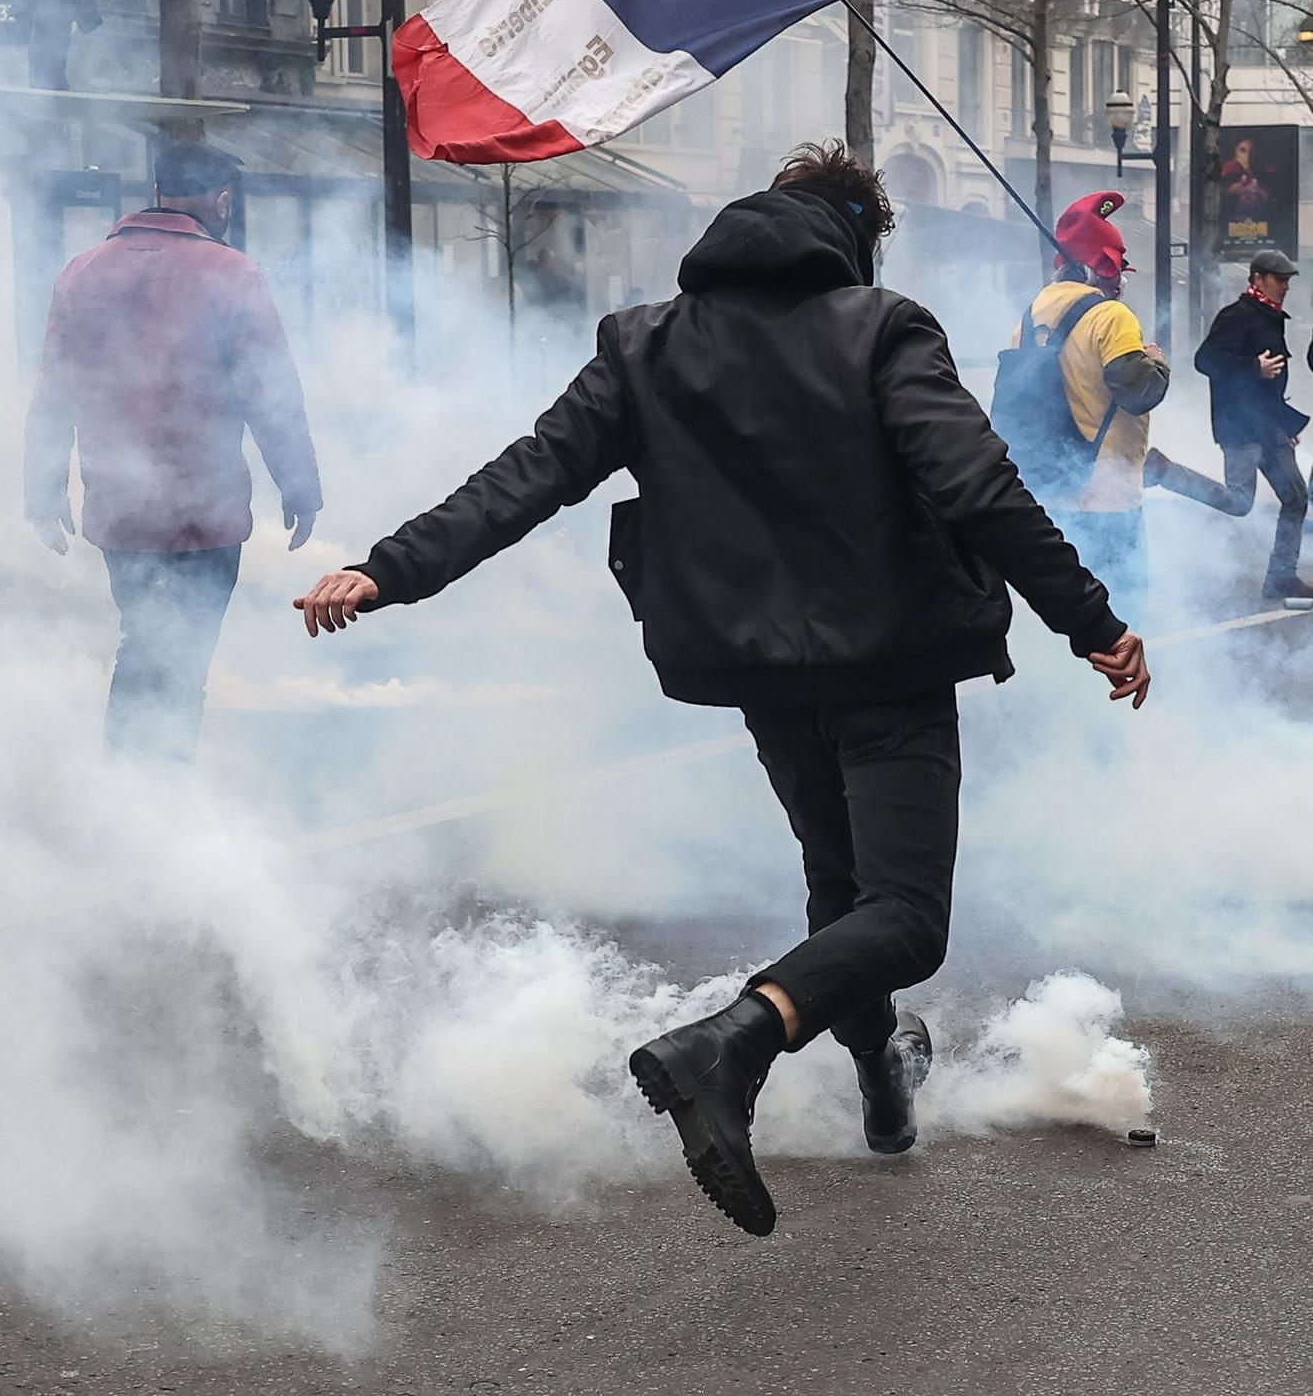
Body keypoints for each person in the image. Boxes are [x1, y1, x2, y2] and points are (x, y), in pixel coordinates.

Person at [295, 141, 1149, 1239]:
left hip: (751, 663)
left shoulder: (645, 342)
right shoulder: (882, 327)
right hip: (887, 661)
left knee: (841, 890)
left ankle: (884, 1088)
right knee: (905, 917)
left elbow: (530, 473)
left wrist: (389, 565)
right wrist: (1093, 619)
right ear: (856, 234)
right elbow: (975, 484)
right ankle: (732, 1042)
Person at [25, 140, 322, 762]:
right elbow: (271, 392)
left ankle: (137, 789)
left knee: (145, 639)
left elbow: (57, 389)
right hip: (204, 513)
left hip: (120, 510)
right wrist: (299, 486)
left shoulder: (82, 271)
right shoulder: (233, 274)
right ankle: (155, 790)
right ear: (220, 202)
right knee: (182, 656)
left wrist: (43, 489)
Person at [1007, 191, 1169, 607]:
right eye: (1114, 271)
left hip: (1052, 494)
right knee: (1125, 615)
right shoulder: (1110, 316)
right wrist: (1156, 362)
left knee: (1075, 617)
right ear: (1095, 269)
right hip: (1108, 498)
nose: (1120, 282)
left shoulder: (1030, 315)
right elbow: (1138, 392)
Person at [1146, 249, 1310, 602]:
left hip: (1267, 427)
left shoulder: (1270, 316)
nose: (1285, 286)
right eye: (1279, 279)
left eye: (1287, 280)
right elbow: (1205, 359)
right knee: (1239, 501)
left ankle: (1281, 578)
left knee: (1296, 497)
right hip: (1241, 428)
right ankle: (1165, 472)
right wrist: (1254, 367)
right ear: (1258, 279)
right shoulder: (1237, 315)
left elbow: (1270, 384)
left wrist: (1283, 423)